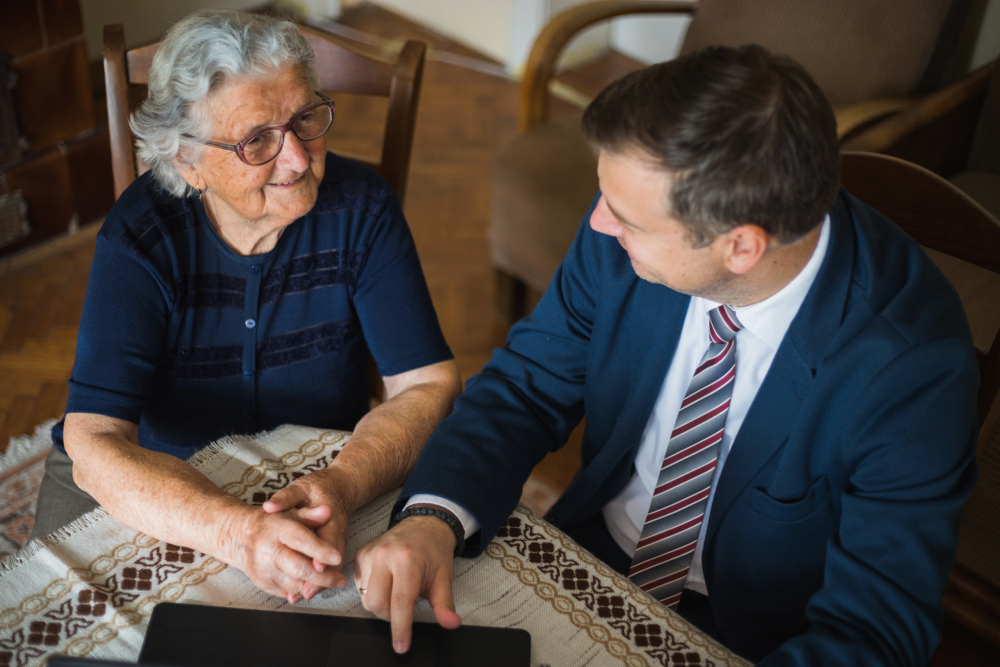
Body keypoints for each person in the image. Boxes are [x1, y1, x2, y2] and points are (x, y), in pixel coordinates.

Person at [354, 45, 980, 664]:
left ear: (741, 248)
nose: (599, 224)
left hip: (758, 638)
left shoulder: (913, 368)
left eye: (625, 216)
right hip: (590, 556)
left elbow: (877, 631)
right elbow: (525, 387)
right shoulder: (626, 234)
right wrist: (433, 517)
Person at [33, 10, 461, 605]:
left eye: (306, 118)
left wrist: (343, 482)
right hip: (165, 483)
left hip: (319, 472)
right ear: (187, 160)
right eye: (257, 139)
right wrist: (235, 532)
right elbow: (94, 438)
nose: (297, 158)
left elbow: (427, 383)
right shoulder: (140, 238)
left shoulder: (362, 210)